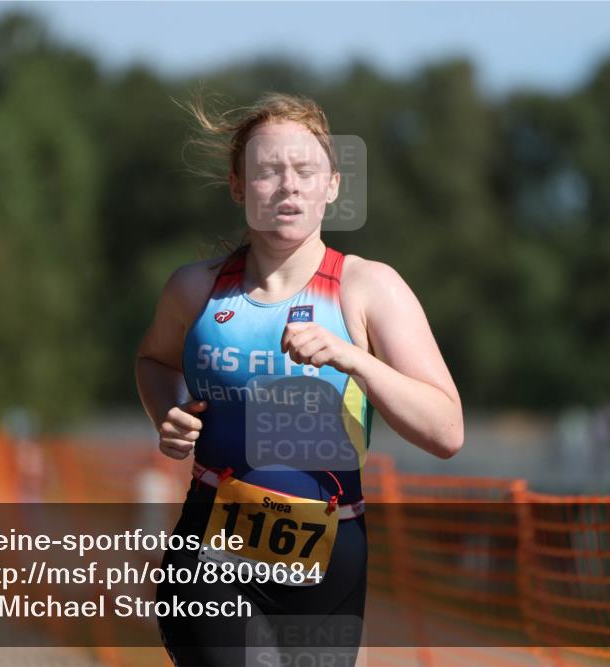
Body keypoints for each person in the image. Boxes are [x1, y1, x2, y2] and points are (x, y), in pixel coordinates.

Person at [135, 92, 464, 666]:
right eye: (267, 171)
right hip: (211, 551)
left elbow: (446, 431)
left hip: (330, 562)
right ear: (239, 187)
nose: (287, 185)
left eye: (305, 171)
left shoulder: (369, 288)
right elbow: (154, 362)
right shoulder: (195, 289)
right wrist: (170, 412)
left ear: (332, 185)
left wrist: (354, 360)